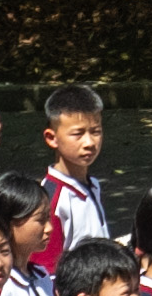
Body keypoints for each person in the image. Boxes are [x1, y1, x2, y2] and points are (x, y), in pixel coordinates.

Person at [31, 87, 115, 251]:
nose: (89, 143)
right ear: (51, 138)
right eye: (78, 134)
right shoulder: (51, 200)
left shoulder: (92, 185)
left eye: (96, 132)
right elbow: (46, 270)